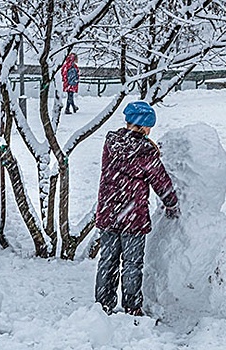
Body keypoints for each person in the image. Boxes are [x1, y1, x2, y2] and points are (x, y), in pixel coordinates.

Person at [94, 101, 180, 317]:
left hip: (108, 212)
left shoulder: (111, 144)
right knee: (132, 264)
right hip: (133, 217)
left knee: (108, 260)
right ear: (145, 125)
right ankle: (132, 307)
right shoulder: (145, 152)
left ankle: (103, 305)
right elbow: (161, 182)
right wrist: (171, 204)